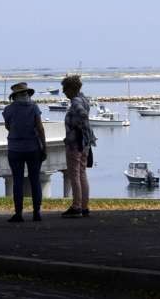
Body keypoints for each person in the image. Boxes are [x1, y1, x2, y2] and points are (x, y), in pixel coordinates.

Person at [2, 82, 47, 222]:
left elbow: (8, 126)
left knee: (18, 181)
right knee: (35, 180)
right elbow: (40, 128)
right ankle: (36, 212)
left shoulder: (8, 109)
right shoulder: (34, 108)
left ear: (14, 96)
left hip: (15, 148)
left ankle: (18, 213)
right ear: (27, 94)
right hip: (33, 147)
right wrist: (44, 147)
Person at [61, 75, 95, 217]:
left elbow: (82, 115)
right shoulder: (84, 99)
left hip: (75, 143)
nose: (63, 92)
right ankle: (84, 205)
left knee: (74, 174)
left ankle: (76, 207)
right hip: (85, 142)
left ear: (71, 89)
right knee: (81, 173)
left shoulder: (75, 102)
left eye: (65, 89)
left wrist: (78, 128)